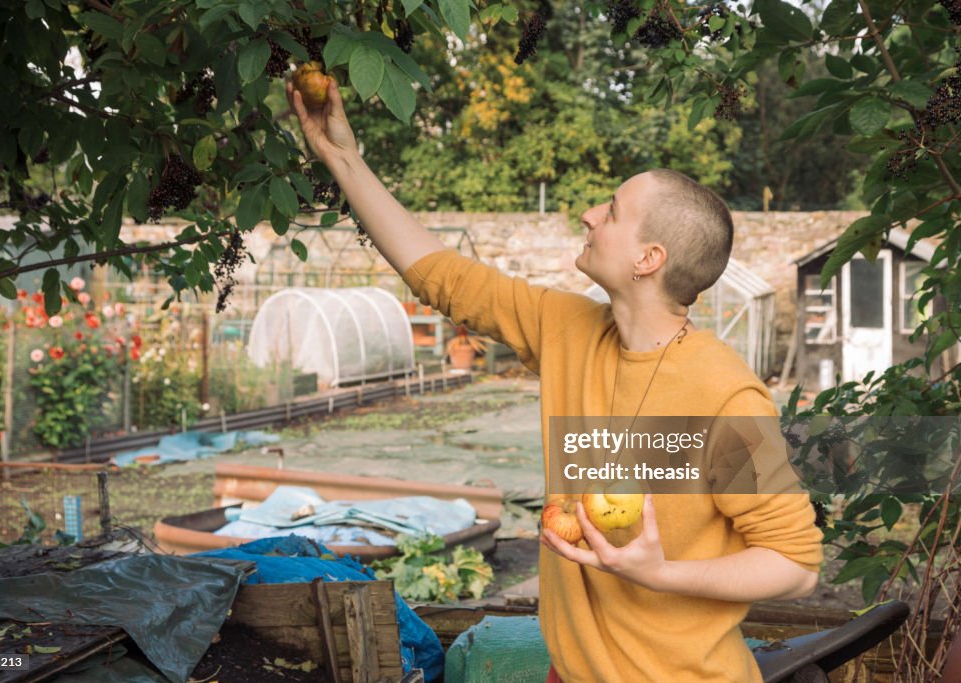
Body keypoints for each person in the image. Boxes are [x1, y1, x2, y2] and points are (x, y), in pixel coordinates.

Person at [286, 78, 823, 683]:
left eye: (613, 211)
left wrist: (657, 572)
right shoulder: (569, 329)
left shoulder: (724, 394)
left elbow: (795, 564)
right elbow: (443, 278)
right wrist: (342, 157)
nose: (591, 214)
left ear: (649, 259)